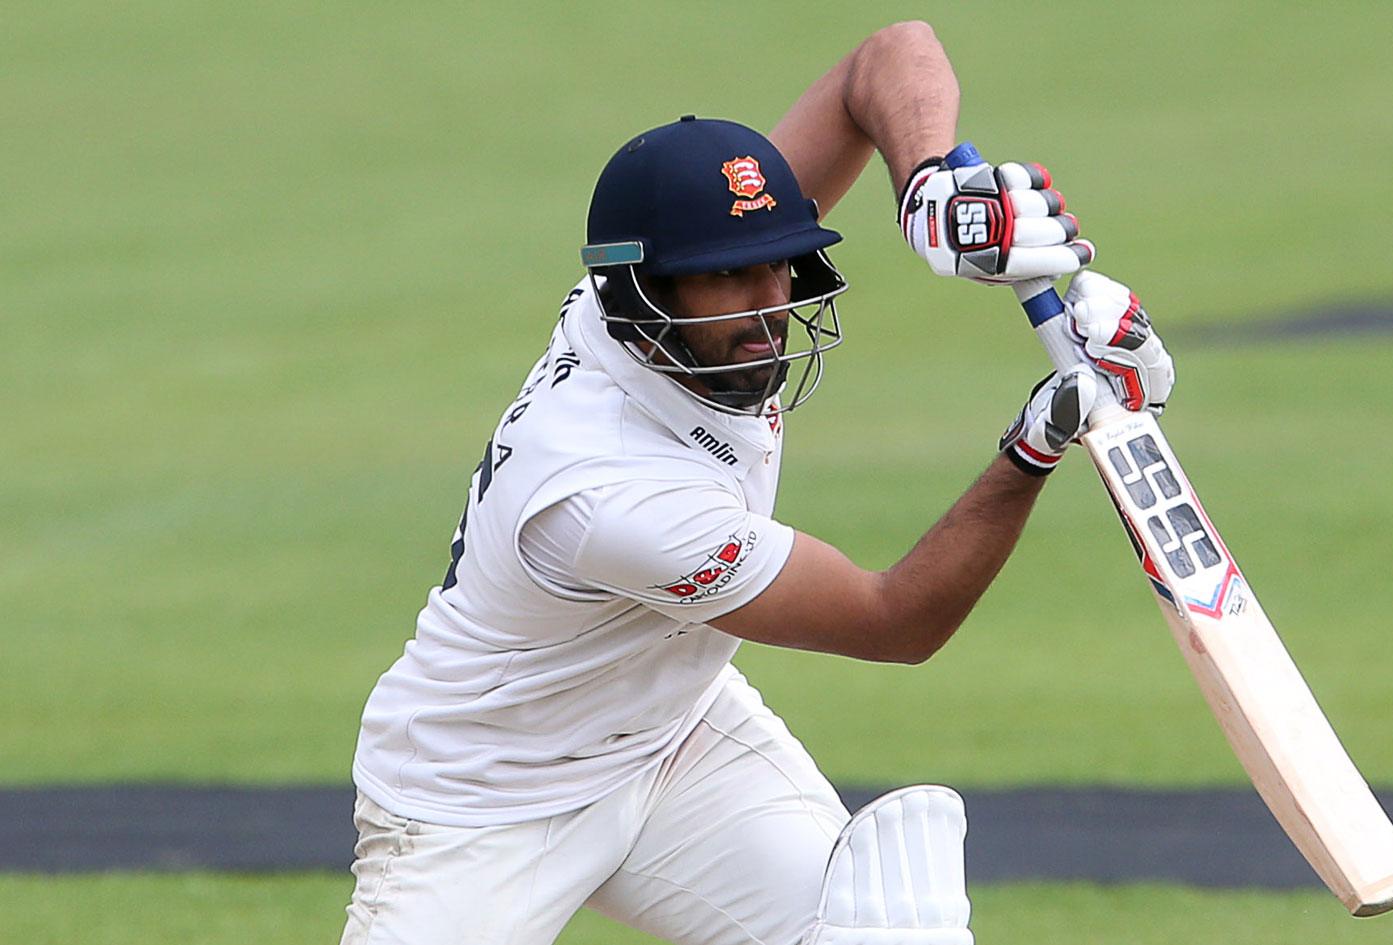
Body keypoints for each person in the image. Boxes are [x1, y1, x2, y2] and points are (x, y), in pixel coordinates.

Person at [340, 21, 1174, 945]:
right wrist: (1036, 444)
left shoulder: (644, 299)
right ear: (644, 296)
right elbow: (893, 620)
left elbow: (885, 59)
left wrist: (933, 186)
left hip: (673, 739)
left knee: (888, 934)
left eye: (777, 262)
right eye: (726, 279)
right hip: (483, 798)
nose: (768, 304)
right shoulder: (609, 494)